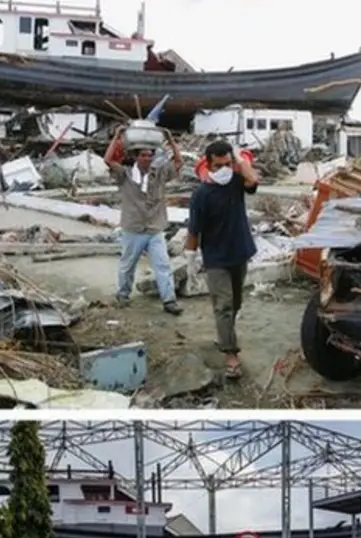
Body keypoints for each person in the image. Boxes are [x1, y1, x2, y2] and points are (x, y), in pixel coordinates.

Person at [185, 140, 260, 379]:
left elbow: (253, 180)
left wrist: (239, 158)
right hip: (216, 259)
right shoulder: (201, 195)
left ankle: (225, 335)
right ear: (209, 165)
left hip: (240, 253)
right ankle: (231, 355)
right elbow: (194, 231)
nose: (225, 169)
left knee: (235, 304)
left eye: (228, 163)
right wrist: (191, 258)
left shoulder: (236, 184)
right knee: (224, 306)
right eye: (219, 165)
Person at [104, 124, 183, 315]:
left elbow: (179, 163)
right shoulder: (125, 175)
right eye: (143, 155)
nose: (147, 158)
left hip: (155, 229)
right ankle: (123, 295)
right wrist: (117, 136)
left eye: (150, 155)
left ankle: (169, 300)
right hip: (133, 229)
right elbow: (108, 160)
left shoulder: (160, 174)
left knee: (163, 265)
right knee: (127, 265)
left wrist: (170, 139)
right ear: (136, 157)